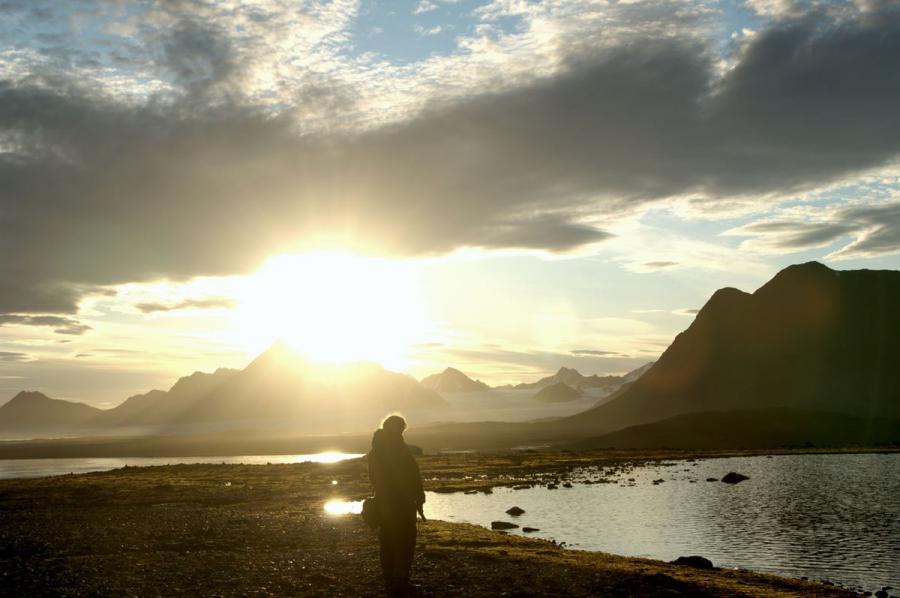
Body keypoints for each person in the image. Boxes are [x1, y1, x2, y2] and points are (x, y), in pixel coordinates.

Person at [367, 414, 425, 594]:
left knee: (389, 539)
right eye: (400, 428)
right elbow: (406, 475)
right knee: (404, 540)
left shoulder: (377, 449)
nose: (401, 431)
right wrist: (413, 494)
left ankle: (391, 578)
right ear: (395, 428)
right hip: (400, 503)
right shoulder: (395, 449)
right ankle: (399, 580)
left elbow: (376, 478)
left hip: (387, 502)